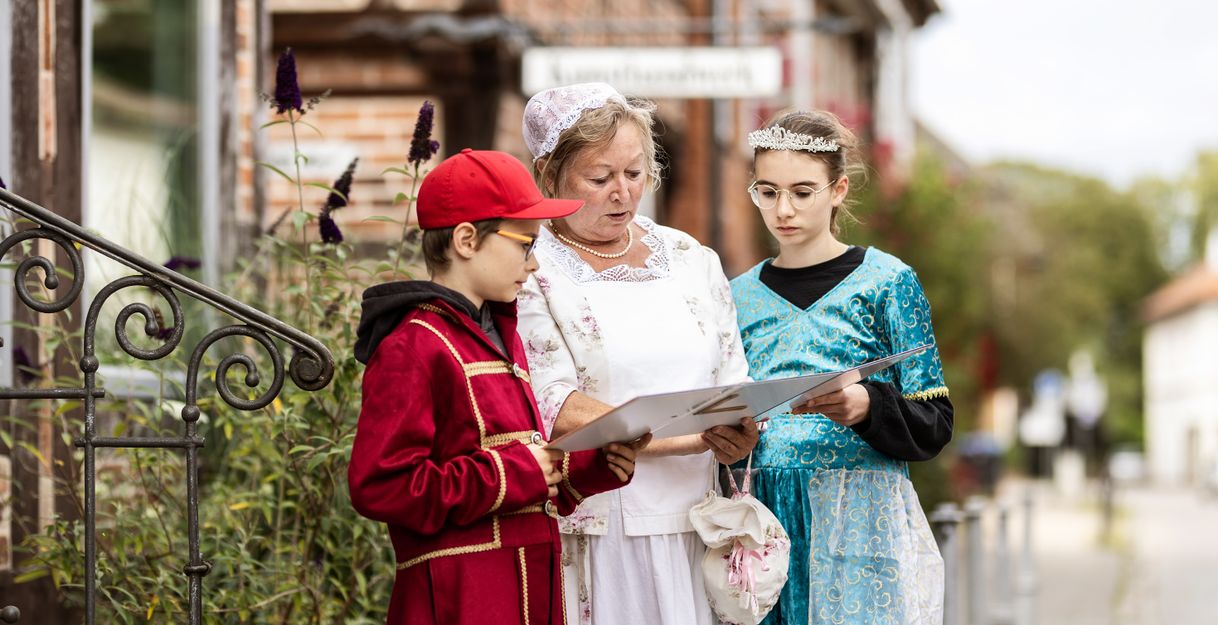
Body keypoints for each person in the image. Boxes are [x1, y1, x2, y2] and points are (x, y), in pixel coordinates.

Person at [349, 148, 649, 625]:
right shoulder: (414, 346)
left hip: (529, 593)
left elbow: (521, 462)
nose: (533, 264)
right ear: (467, 239)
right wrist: (513, 474)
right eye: (524, 245)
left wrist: (586, 468)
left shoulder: (501, 336)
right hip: (460, 600)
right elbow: (383, 487)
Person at [516, 82, 760, 625]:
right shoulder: (532, 271)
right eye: (600, 178)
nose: (623, 193)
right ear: (548, 176)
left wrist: (735, 433)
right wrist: (685, 436)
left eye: (634, 173)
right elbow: (551, 402)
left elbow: (731, 378)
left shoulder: (690, 257)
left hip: (699, 524)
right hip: (600, 527)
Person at [730, 111, 954, 625]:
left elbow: (936, 424)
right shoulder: (735, 296)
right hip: (761, 516)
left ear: (837, 189)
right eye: (767, 191)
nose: (782, 209)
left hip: (860, 514)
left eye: (802, 192)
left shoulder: (888, 283)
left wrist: (867, 406)